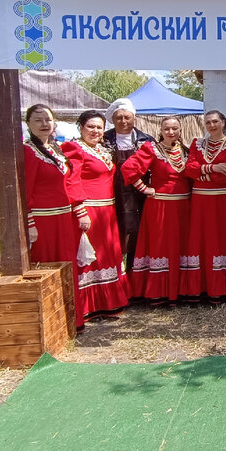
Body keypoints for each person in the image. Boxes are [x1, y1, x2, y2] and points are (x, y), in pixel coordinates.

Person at [61, 110, 130, 324]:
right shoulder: (74, 148)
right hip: (89, 211)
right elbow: (71, 181)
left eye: (99, 127)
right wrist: (80, 210)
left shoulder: (101, 150)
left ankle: (107, 303)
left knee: (107, 256)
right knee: (89, 258)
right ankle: (88, 306)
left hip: (107, 212)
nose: (95, 131)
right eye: (90, 126)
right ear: (81, 127)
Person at [120, 116, 192, 303]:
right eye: (167, 129)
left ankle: (181, 289)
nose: (170, 132)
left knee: (181, 245)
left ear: (180, 130)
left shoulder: (185, 151)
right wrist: (144, 189)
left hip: (182, 207)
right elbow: (128, 168)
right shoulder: (151, 149)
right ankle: (158, 291)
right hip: (160, 206)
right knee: (160, 245)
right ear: (160, 130)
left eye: (174, 128)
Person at [182, 110, 226, 300]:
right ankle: (202, 286)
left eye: (215, 121)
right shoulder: (196, 143)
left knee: (224, 238)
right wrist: (212, 167)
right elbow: (188, 170)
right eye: (208, 122)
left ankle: (225, 287)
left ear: (223, 122)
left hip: (225, 200)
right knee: (203, 240)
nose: (212, 125)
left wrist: (202, 173)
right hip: (201, 200)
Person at [23, 105, 88, 268]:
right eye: (38, 120)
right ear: (28, 123)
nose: (44, 124)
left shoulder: (55, 150)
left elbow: (68, 183)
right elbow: (24, 190)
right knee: (46, 264)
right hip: (43, 220)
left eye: (48, 119)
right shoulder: (27, 151)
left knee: (65, 263)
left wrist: (78, 210)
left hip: (63, 218)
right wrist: (29, 224)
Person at [102, 98, 155, 269]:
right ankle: (116, 275)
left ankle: (136, 275)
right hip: (113, 193)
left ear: (134, 118)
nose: (123, 121)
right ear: (113, 120)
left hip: (139, 196)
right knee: (115, 235)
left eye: (127, 117)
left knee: (138, 236)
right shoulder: (103, 140)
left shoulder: (146, 140)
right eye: (119, 118)